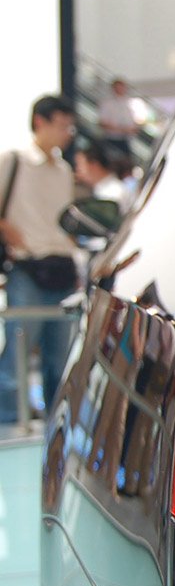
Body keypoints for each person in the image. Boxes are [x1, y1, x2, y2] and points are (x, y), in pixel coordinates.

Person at [0, 94, 79, 423]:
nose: (67, 133)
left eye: (70, 127)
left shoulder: (64, 171)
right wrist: (11, 233)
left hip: (62, 266)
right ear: (39, 122)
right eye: (61, 125)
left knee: (60, 356)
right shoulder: (13, 161)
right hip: (27, 267)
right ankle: (9, 424)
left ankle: (54, 423)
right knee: (18, 352)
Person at [74, 141, 130, 214]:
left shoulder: (113, 193)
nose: (77, 170)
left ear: (94, 165)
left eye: (80, 165)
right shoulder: (105, 190)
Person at [98, 78, 138, 161]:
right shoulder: (107, 103)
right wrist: (121, 129)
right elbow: (103, 123)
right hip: (112, 138)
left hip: (126, 139)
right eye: (118, 87)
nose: (121, 90)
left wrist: (132, 129)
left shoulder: (128, 103)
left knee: (127, 161)